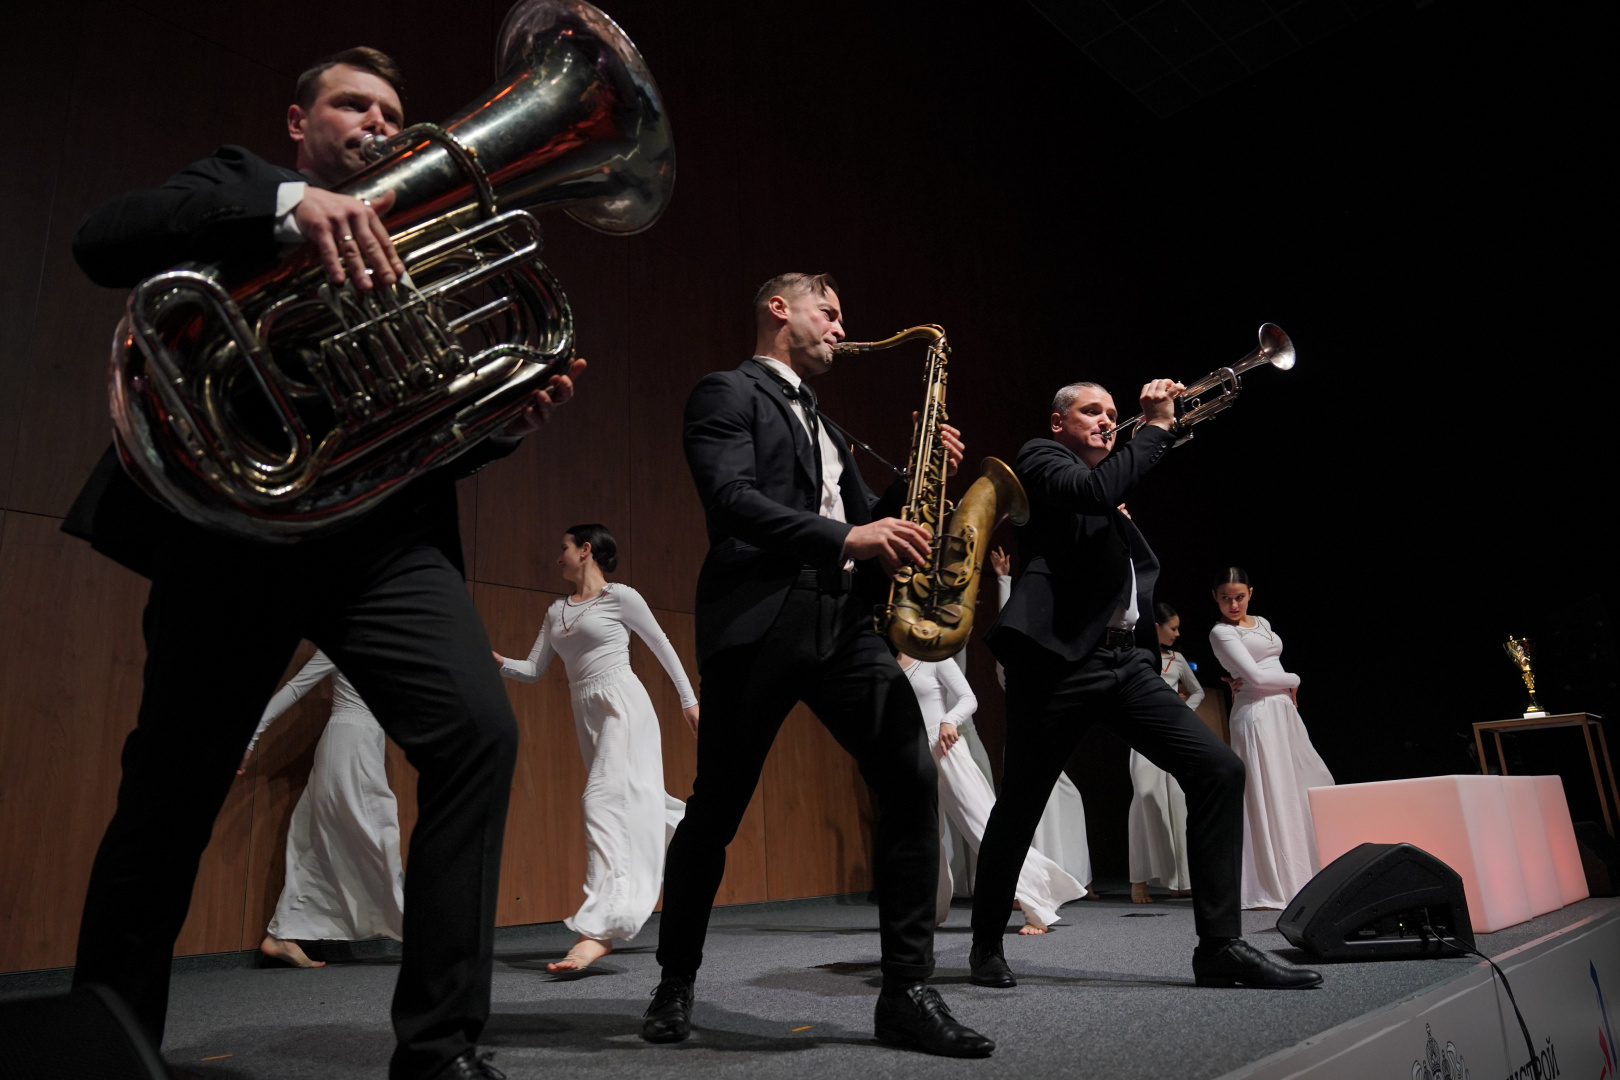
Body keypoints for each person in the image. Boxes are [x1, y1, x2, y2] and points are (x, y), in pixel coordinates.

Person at [65, 49, 584, 1080]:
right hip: (235, 535)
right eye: (355, 105)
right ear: (300, 123)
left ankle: (439, 1048)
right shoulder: (238, 182)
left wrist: (498, 423)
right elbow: (102, 239)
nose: (380, 123)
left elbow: (420, 425)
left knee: (477, 734)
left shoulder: (425, 239)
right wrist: (286, 209)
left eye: (393, 110)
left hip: (376, 541)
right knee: (169, 795)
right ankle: (103, 1049)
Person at [645, 273, 993, 1057]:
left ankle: (906, 993)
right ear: (780, 309)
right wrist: (847, 539)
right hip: (762, 619)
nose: (840, 328)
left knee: (910, 777)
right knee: (717, 809)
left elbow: (868, 523)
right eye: (828, 313)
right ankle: (674, 980)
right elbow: (731, 500)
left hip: (844, 623)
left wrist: (914, 479)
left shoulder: (829, 426)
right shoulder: (725, 392)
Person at [967, 378, 1321, 992]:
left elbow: (1109, 516)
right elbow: (1093, 491)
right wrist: (1156, 426)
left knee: (1219, 770)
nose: (1108, 420)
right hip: (1057, 665)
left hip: (1124, 661)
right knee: (1021, 803)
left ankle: (1220, 947)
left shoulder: (1106, 490)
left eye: (1113, 412)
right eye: (1091, 411)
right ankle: (985, 945)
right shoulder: (1040, 458)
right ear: (1058, 423)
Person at [494, 524, 697, 972]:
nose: (558, 556)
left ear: (586, 550)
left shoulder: (619, 597)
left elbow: (661, 644)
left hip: (623, 705)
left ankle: (599, 931)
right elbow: (533, 670)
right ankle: (696, 834)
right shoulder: (555, 611)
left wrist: (689, 702)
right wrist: (498, 662)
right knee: (636, 801)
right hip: (586, 713)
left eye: (563, 548)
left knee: (601, 802)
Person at [240, 650, 404, 968]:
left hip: (367, 741)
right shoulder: (344, 638)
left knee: (322, 841)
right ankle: (422, 930)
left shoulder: (394, 640)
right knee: (377, 834)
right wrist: (250, 738)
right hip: (348, 742)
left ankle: (282, 934)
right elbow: (295, 688)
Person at [899, 653, 1085, 932]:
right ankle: (929, 911)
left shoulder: (934, 658)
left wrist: (950, 720)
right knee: (924, 835)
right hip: (911, 753)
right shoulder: (884, 664)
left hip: (945, 748)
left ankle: (1039, 903)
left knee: (984, 827)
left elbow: (968, 699)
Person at [1208, 568, 1335, 910]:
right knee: (1271, 792)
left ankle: (1308, 873)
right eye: (1225, 598)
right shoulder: (1221, 632)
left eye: (1239, 597)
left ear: (1250, 593)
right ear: (1215, 597)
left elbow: (1265, 672)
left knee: (1303, 782)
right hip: (1257, 714)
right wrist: (1295, 679)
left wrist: (1281, 683)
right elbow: (1255, 678)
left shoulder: (1262, 622)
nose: (1233, 604)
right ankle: (1273, 881)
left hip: (1281, 711)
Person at [989, 548, 1100, 901]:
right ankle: (1032, 891)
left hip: (1049, 737)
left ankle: (1074, 878)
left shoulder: (1049, 657)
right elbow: (1007, 622)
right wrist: (1004, 580)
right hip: (1026, 740)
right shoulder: (1010, 665)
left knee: (1067, 799)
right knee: (1033, 812)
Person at [1128, 602, 1202, 903]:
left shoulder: (1178, 660)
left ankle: (1180, 880)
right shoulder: (1135, 655)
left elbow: (1197, 691)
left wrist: (1182, 711)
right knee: (1145, 800)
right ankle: (1139, 882)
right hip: (1143, 735)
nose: (1177, 633)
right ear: (1156, 627)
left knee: (1178, 804)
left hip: (1173, 736)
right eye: (1173, 628)